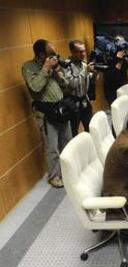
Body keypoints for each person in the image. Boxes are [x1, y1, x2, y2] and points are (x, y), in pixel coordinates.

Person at [22, 39, 72, 188]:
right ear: (41, 54)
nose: (54, 56)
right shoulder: (28, 67)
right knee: (52, 148)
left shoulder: (54, 65)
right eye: (51, 54)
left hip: (61, 109)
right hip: (46, 113)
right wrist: (45, 69)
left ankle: (69, 172)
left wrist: (57, 72)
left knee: (67, 144)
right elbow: (35, 88)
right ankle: (54, 176)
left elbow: (65, 85)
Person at [65, 40, 98, 135]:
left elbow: (90, 80)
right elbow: (72, 84)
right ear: (72, 52)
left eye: (83, 51)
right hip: (73, 103)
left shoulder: (84, 63)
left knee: (91, 128)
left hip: (84, 100)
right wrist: (85, 72)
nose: (83, 54)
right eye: (80, 52)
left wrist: (95, 74)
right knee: (73, 132)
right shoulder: (67, 65)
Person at [103, 35, 128, 105]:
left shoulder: (124, 56)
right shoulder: (109, 57)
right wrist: (117, 60)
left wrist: (126, 60)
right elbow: (110, 76)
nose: (122, 46)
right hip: (112, 90)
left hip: (123, 87)